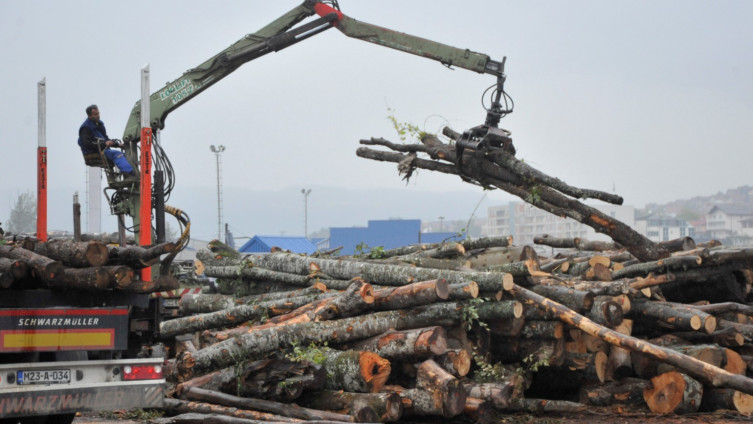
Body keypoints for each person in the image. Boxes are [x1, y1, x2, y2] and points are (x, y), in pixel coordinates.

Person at [78, 104, 136, 179]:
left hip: (103, 150)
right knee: (117, 154)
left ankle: (129, 173)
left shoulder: (99, 124)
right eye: (95, 114)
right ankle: (129, 174)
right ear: (89, 116)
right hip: (94, 152)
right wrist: (104, 144)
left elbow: (106, 139)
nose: (98, 116)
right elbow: (87, 144)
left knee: (126, 155)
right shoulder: (85, 128)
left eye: (98, 113)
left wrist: (118, 145)